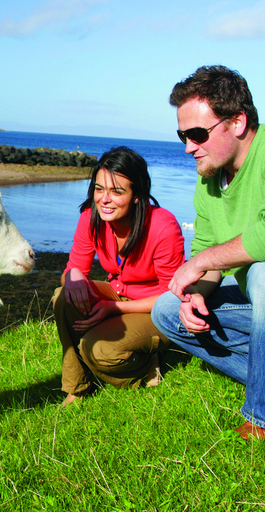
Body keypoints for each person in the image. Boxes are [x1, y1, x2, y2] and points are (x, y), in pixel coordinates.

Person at [151, 65, 265, 439]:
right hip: (256, 305)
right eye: (183, 135)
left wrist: (200, 262)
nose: (188, 147)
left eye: (198, 134)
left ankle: (259, 418)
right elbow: (208, 253)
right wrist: (195, 295)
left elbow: (208, 256)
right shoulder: (209, 180)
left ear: (237, 122)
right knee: (167, 311)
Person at [54, 146, 185, 406]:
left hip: (156, 310)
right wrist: (73, 277)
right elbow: (73, 268)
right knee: (63, 295)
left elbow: (172, 297)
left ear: (136, 195)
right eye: (99, 188)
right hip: (119, 297)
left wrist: (112, 308)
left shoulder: (163, 227)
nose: (104, 199)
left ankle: (148, 363)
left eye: (117, 191)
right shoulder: (90, 218)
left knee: (100, 351)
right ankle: (77, 386)